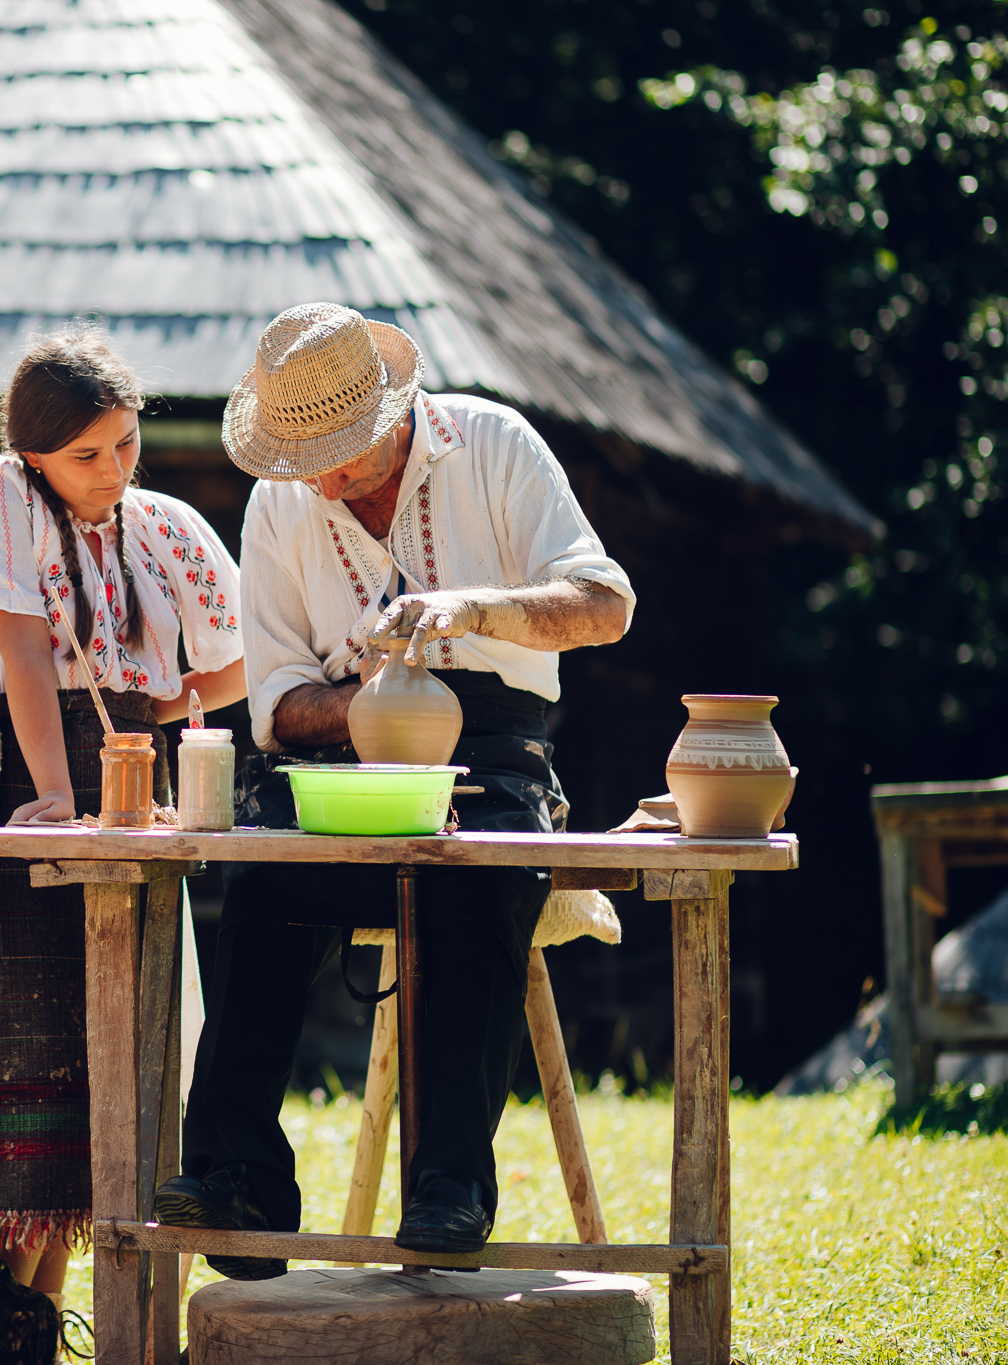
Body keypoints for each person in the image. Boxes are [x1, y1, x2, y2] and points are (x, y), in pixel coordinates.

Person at [151, 302, 635, 1276]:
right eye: (303, 455)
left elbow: (606, 604)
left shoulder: (490, 445)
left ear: (389, 408)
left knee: (475, 869)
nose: (319, 477)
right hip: (342, 771)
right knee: (261, 875)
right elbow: (277, 706)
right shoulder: (282, 498)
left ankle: (448, 1187)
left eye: (338, 450)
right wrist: (368, 702)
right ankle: (236, 1176)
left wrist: (471, 609)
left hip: (494, 757)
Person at [0, 329, 247, 1309]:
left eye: (125, 445)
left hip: (125, 778)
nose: (111, 472)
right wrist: (58, 794)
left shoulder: (166, 526)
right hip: (18, 772)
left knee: (113, 1058)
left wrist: (145, 730)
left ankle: (30, 1320)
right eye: (86, 455)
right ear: (31, 453)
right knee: (25, 1063)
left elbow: (239, 658)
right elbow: (21, 655)